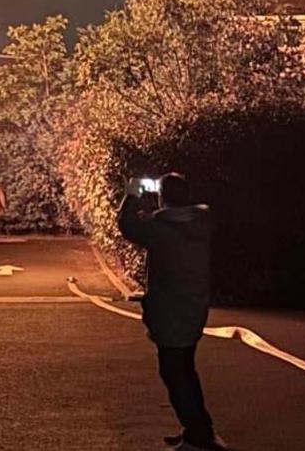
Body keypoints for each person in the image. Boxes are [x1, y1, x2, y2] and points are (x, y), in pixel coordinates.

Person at [118, 172, 222, 451]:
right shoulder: (202, 223)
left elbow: (128, 226)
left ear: (163, 196)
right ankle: (198, 429)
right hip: (193, 307)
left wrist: (131, 194)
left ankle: (198, 435)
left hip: (169, 312)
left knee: (175, 373)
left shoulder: (159, 229)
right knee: (185, 369)